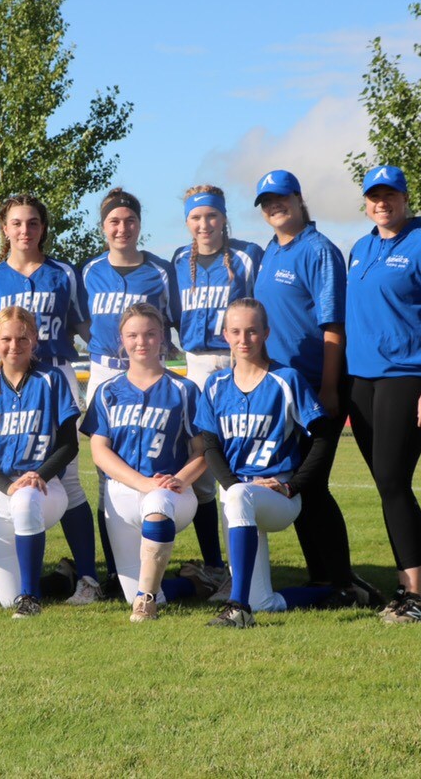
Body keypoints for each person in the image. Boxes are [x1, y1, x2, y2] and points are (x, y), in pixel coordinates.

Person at [346, 165, 421, 624]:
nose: (383, 203)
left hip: (405, 376)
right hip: (361, 382)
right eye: (374, 196)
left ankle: (418, 596)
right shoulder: (360, 248)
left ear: (405, 197)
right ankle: (404, 590)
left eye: (391, 195)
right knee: (385, 483)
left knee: (395, 483)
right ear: (365, 202)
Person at [0, 193, 101, 605]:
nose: (25, 230)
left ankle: (89, 579)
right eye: (17, 223)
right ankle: (50, 577)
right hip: (3, 374)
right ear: (4, 229)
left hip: (54, 370)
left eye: (33, 223)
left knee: (71, 481)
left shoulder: (63, 272)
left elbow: (85, 327)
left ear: (43, 228)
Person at [252, 169, 374, 606]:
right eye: (266, 202)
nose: (274, 207)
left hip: (313, 385)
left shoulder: (318, 250)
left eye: (281, 199)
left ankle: (341, 579)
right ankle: (324, 576)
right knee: (298, 484)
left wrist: (328, 387)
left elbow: (332, 324)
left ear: (300, 199)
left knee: (312, 485)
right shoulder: (271, 250)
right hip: (280, 388)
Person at [196, 298, 342, 628]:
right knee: (264, 601)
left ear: (266, 333)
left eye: (251, 331)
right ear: (225, 335)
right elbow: (210, 446)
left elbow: (322, 438)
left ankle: (237, 607)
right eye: (236, 331)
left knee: (236, 496)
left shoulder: (286, 379)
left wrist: (293, 485)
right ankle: (336, 591)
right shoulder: (216, 385)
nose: (243, 339)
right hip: (237, 496)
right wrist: (235, 487)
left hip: (277, 496)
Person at [82, 304, 216, 622]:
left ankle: (146, 603)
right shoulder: (107, 391)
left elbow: (203, 451)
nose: (141, 342)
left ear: (163, 339)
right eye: (133, 335)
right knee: (138, 586)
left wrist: (181, 480)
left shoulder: (184, 390)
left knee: (157, 501)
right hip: (123, 493)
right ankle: (191, 582)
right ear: (122, 340)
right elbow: (99, 451)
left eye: (149, 334)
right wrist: (142, 483)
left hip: (172, 491)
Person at [79, 188, 177, 597]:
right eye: (114, 221)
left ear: (139, 224)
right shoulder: (87, 271)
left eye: (129, 220)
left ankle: (209, 565)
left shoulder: (160, 270)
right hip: (106, 372)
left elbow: (171, 323)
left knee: (174, 463)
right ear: (103, 227)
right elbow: (82, 323)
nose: (122, 228)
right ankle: (117, 571)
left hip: (152, 370)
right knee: (108, 477)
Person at [0, 307, 81, 618]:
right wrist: (8, 486)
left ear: (34, 339)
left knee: (25, 501)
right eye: (6, 338)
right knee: (6, 598)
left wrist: (39, 474)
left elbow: (69, 444)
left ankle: (32, 598)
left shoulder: (51, 379)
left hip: (44, 486)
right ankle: (61, 580)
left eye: (22, 338)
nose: (14, 346)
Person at [171, 185, 259, 597]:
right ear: (186, 222)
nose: (203, 224)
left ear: (224, 217)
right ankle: (214, 566)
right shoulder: (177, 261)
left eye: (210, 216)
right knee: (203, 469)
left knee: (239, 469)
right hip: (196, 366)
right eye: (195, 217)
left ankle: (249, 571)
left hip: (236, 363)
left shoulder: (247, 255)